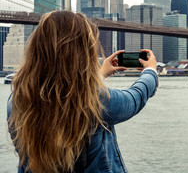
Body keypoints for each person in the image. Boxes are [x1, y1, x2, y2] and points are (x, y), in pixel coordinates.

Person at [7, 10, 158, 173]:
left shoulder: (17, 100)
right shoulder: (96, 101)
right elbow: (135, 98)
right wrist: (151, 71)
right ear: (82, 53)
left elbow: (62, 92)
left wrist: (101, 74)